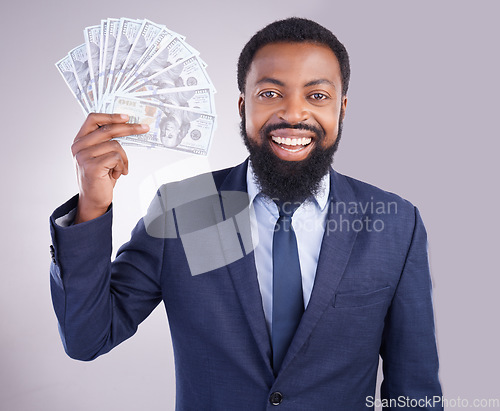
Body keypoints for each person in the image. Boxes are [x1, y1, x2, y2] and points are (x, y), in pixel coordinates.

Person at [49, 17, 443, 410]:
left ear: (342, 108)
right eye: (270, 93)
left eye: (317, 96)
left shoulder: (394, 224)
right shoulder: (184, 210)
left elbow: (415, 391)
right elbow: (87, 338)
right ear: (243, 105)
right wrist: (92, 205)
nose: (293, 114)